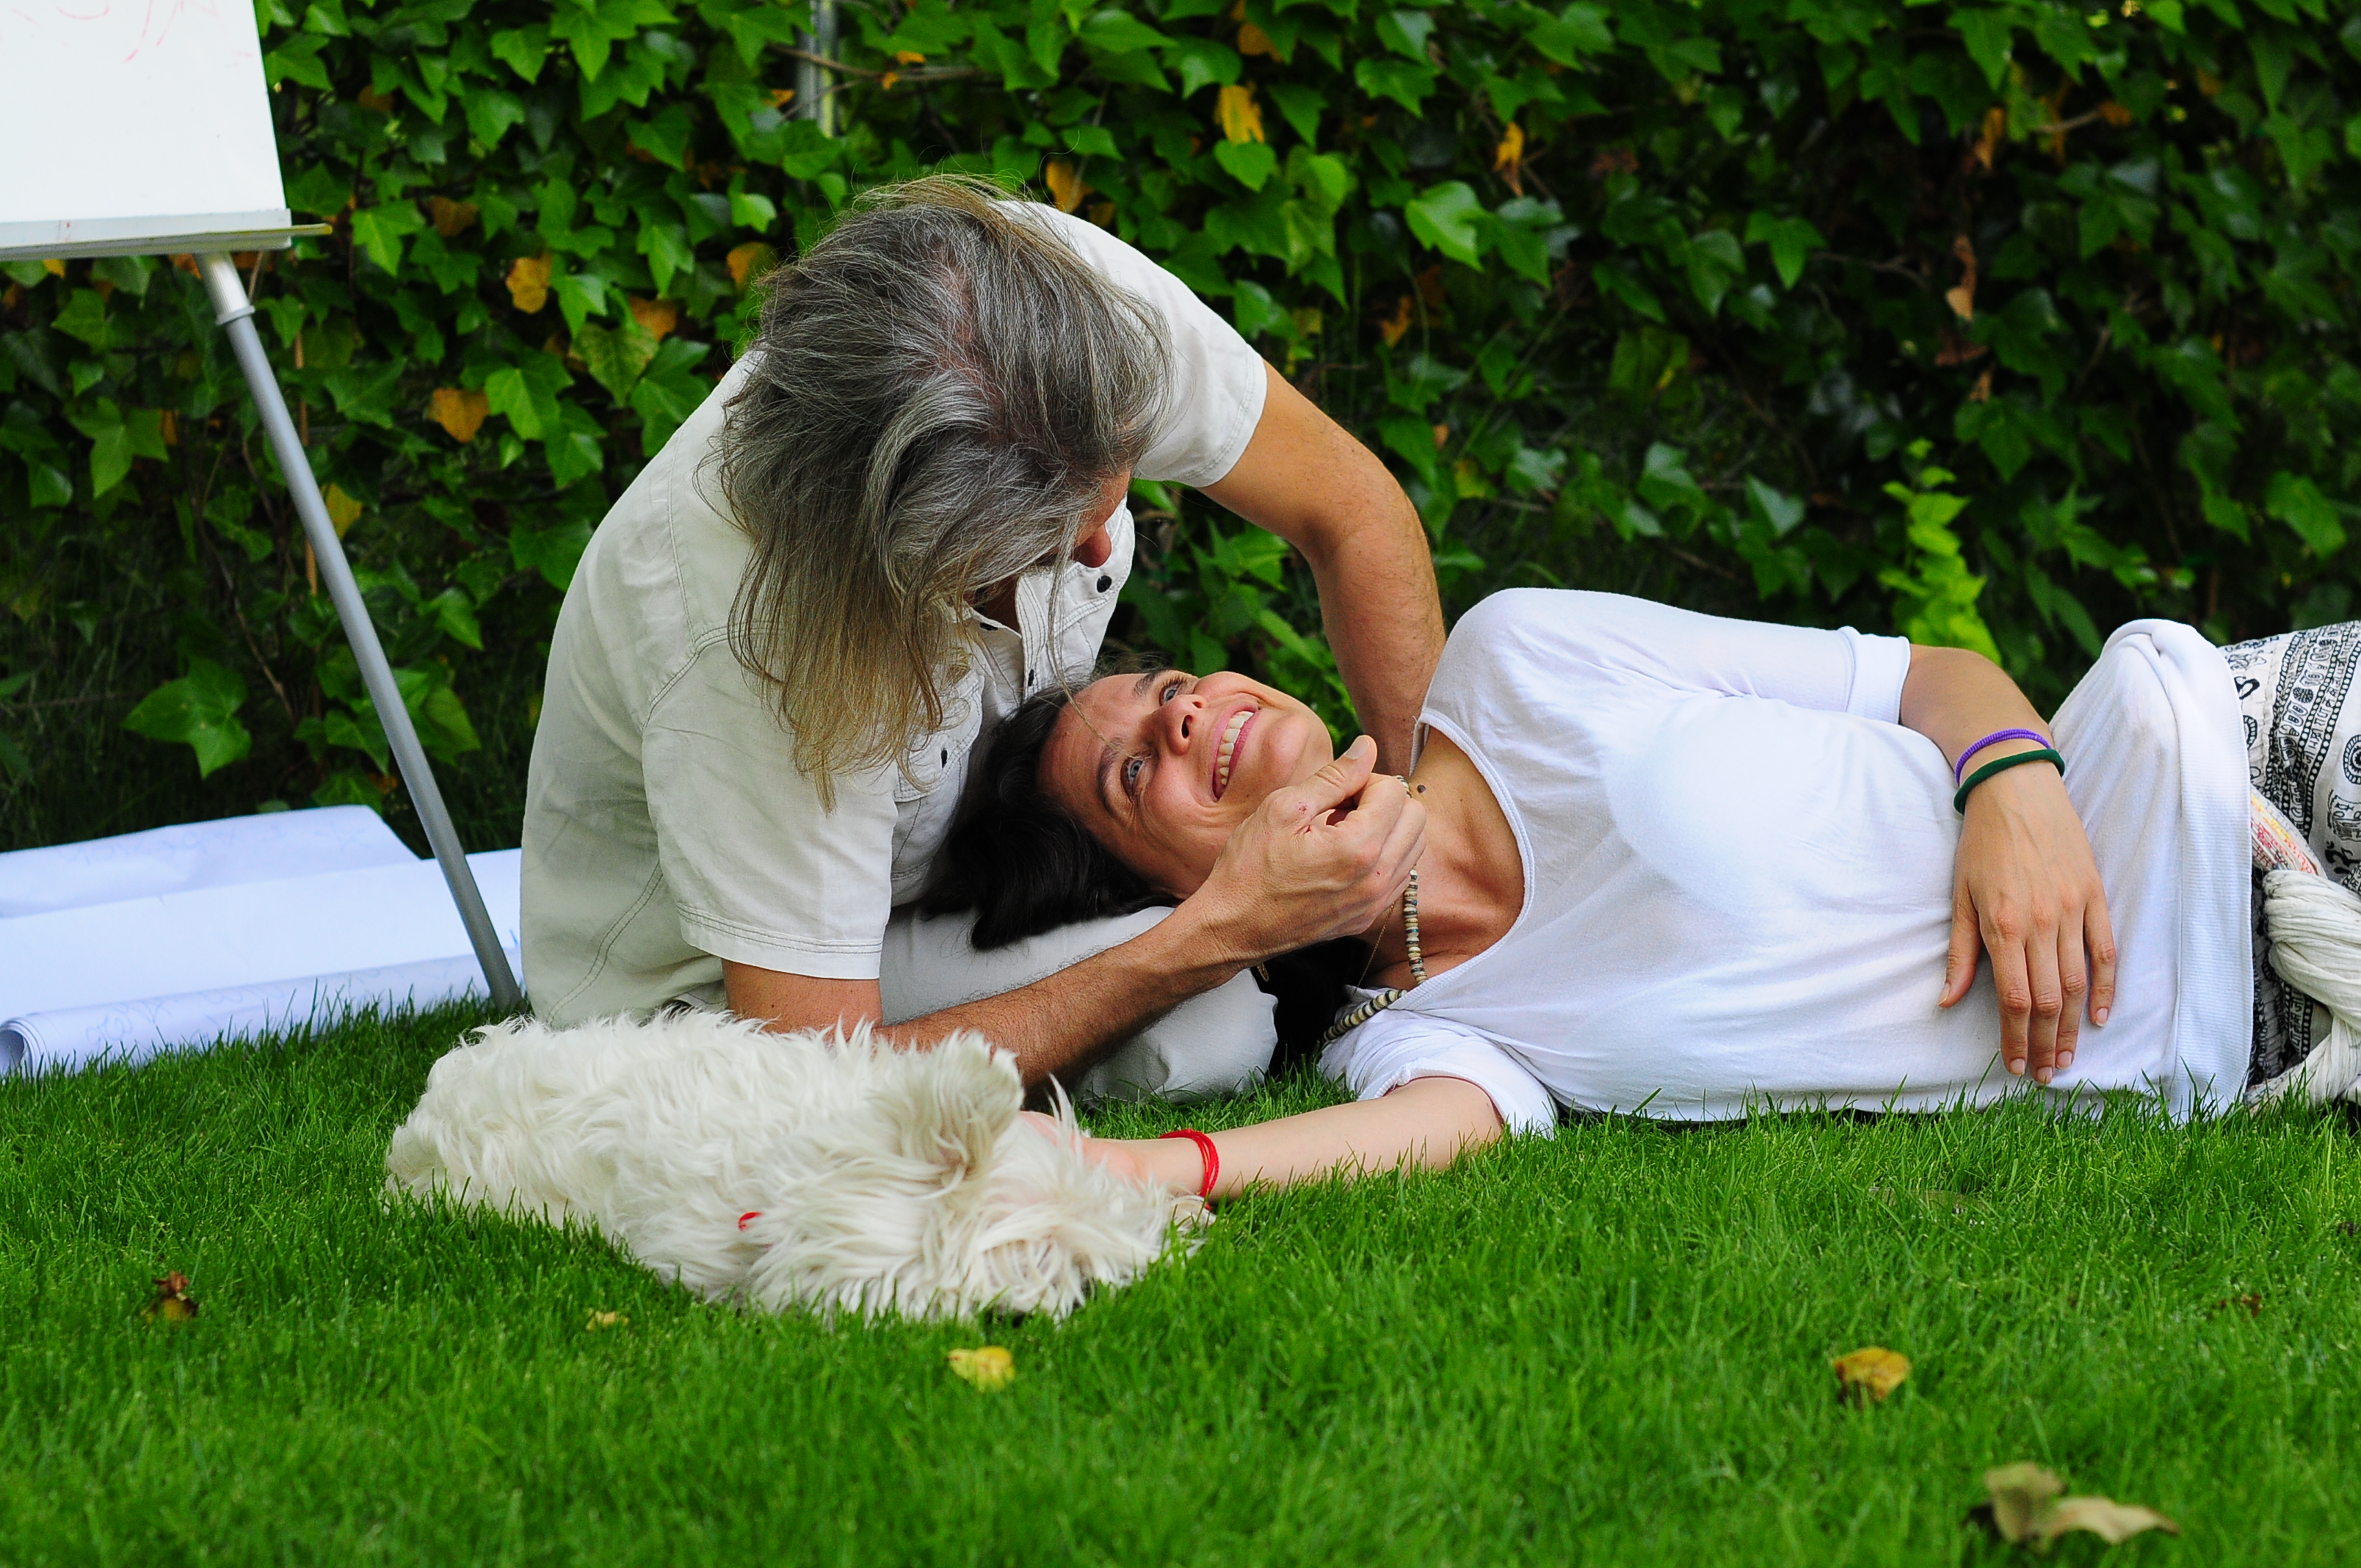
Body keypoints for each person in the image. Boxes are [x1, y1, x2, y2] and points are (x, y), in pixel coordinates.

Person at [940, 589, 2359, 1202]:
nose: (1191, 717)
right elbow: (1432, 1137)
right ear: (1156, 899)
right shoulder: (1413, 1032)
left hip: (2243, 756)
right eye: (1138, 772)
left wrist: (2009, 785)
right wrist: (1131, 1165)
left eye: (1176, 688)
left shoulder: (1518, 662)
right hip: (2265, 1047)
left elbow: (1929, 676)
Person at [520, 178, 1442, 1089]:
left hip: (941, 896)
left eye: (1115, 477)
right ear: (908, 550)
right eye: (1040, 542)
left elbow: (1350, 508)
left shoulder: (1056, 297)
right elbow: (810, 1081)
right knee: (1214, 1027)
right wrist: (1227, 932)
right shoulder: (759, 631)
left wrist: (1418, 871)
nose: (1095, 545)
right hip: (718, 1003)